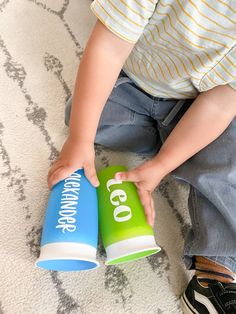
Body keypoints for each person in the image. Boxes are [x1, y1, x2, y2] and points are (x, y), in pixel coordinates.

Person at [47, 1, 236, 312]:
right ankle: (184, 150)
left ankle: (214, 274)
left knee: (228, 158)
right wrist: (80, 139)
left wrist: (162, 166)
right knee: (83, 113)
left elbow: (220, 104)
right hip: (135, 83)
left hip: (201, 106)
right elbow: (109, 45)